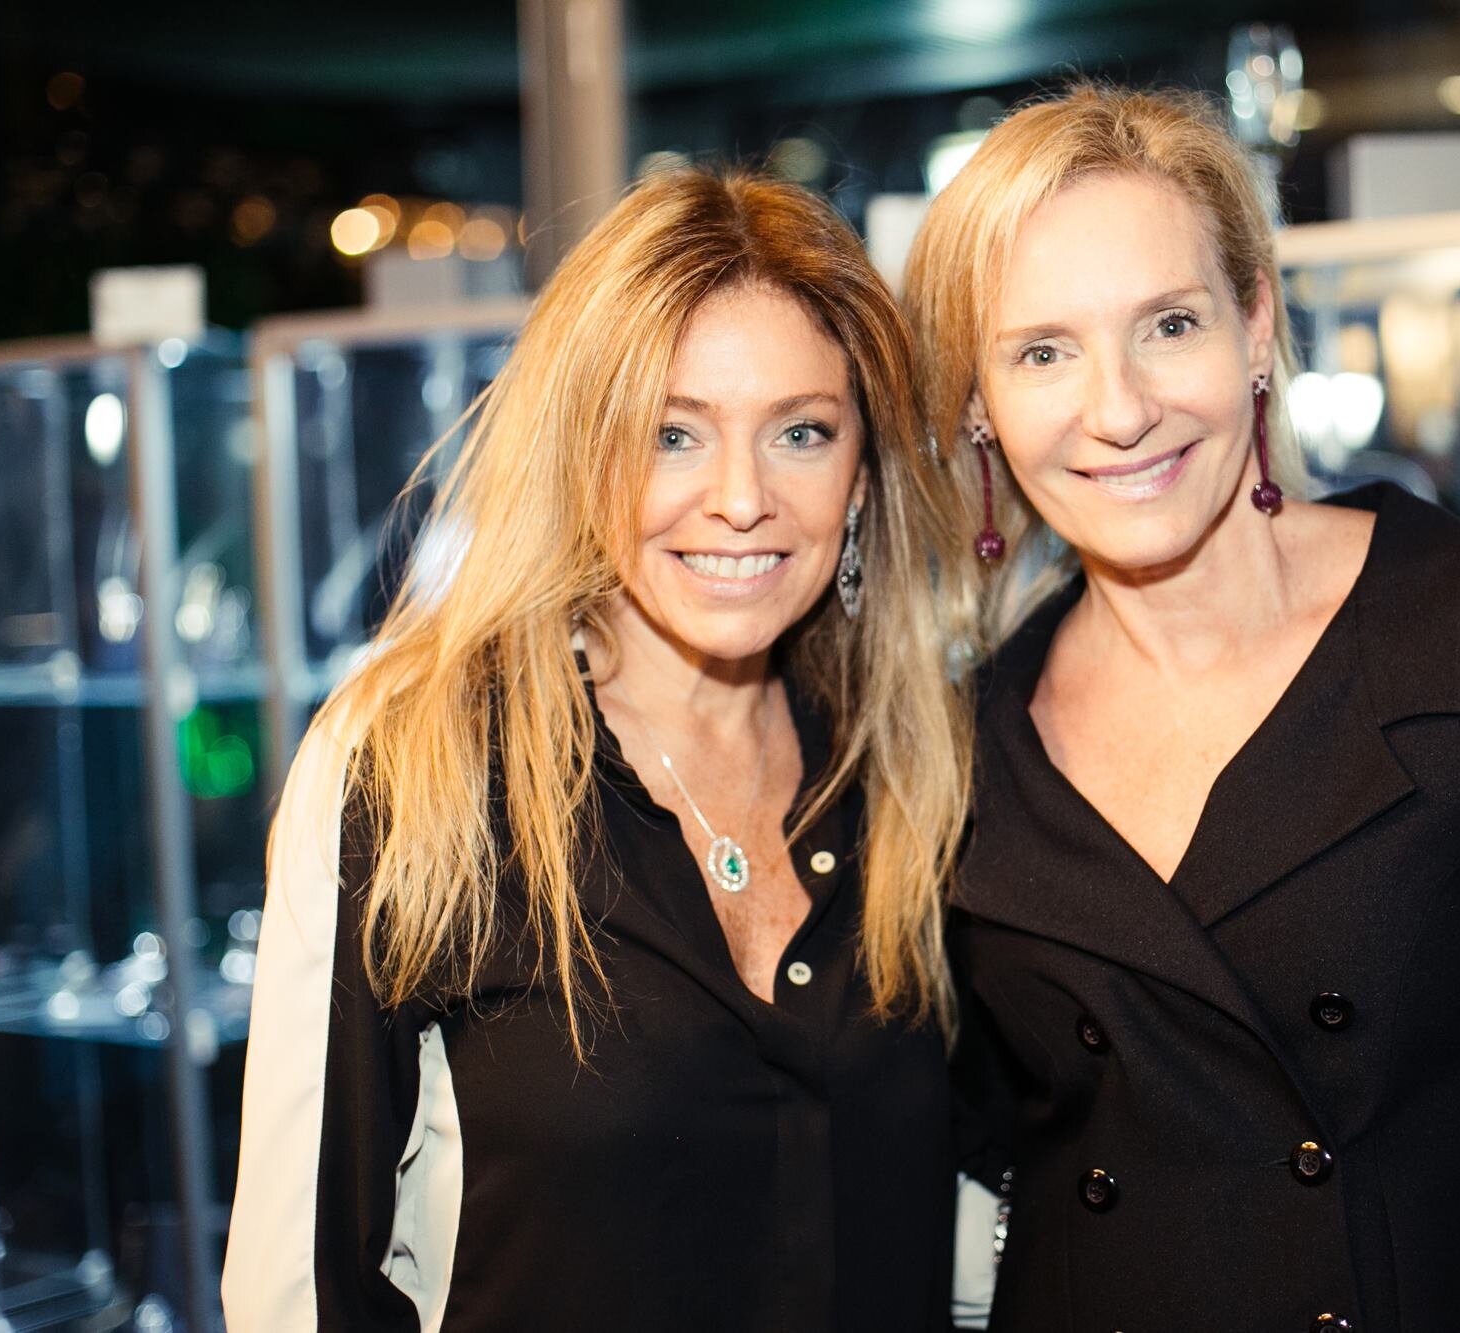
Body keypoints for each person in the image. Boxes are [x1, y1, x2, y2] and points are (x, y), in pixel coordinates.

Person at [907, 85, 1460, 1331]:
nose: (1117, 410)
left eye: (1167, 324)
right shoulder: (963, 749)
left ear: (1254, 324)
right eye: (1040, 353)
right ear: (977, 401)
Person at [223, 166, 973, 1331]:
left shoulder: (910, 770)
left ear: (861, 472)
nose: (740, 498)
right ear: (583, 451)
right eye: (672, 433)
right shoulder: (411, 765)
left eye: (801, 432)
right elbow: (300, 1292)